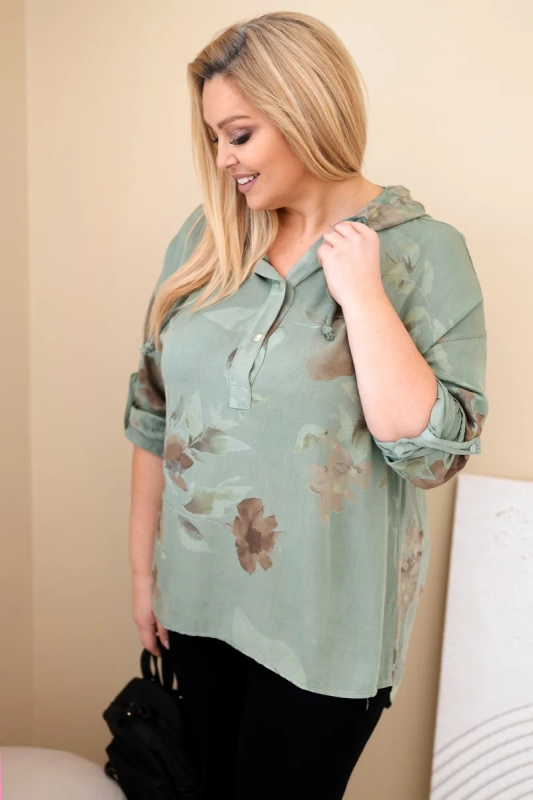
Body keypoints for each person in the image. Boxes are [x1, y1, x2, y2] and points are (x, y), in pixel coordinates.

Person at [124, 11, 489, 799]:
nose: (222, 159)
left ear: (305, 110)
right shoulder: (206, 238)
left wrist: (363, 295)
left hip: (326, 632)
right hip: (195, 605)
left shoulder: (423, 251)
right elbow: (153, 414)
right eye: (213, 138)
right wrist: (142, 574)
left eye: (239, 135)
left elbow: (429, 456)